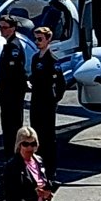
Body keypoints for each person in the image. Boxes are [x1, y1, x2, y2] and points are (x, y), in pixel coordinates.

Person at [0, 14, 33, 154]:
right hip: (7, 92)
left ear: (13, 28)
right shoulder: (9, 45)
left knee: (12, 126)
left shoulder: (14, 47)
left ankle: (14, 155)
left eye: (5, 27)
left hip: (12, 93)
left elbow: (16, 72)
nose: (1, 30)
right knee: (8, 125)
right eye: (0, 27)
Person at [28, 27, 66, 166]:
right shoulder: (35, 58)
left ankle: (50, 165)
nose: (37, 42)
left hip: (47, 102)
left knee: (48, 135)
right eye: (36, 39)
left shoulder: (52, 60)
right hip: (36, 100)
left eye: (40, 39)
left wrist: (54, 99)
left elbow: (61, 83)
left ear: (48, 40)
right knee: (36, 132)